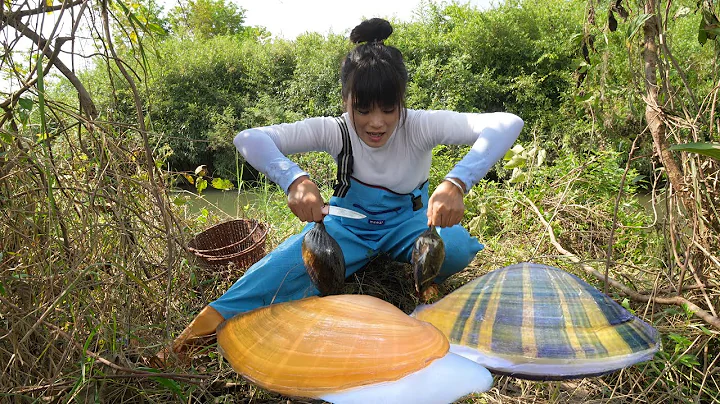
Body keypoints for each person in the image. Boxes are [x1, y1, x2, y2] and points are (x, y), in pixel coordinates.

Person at [160, 17, 523, 363]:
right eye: (362, 109)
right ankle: (189, 340)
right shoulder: (336, 130)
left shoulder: (422, 125)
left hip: (410, 223)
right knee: (275, 275)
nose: (376, 122)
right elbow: (249, 138)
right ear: (346, 101)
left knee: (457, 248)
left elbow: (507, 123)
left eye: (388, 108)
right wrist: (295, 179)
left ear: (402, 101)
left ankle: (416, 278)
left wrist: (456, 181)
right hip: (345, 228)